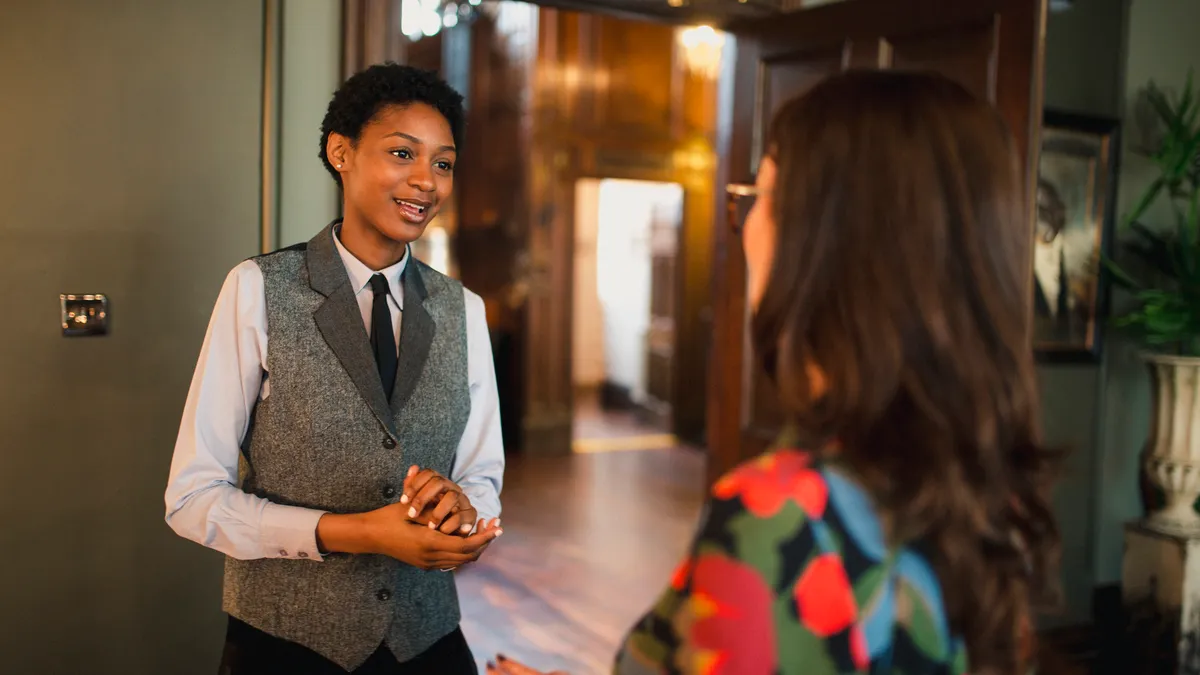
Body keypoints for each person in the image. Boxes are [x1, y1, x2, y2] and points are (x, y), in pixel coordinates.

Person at [488, 70, 1061, 675]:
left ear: (827, 239)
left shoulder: (783, 514)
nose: (745, 226)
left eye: (758, 194)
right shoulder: (988, 486)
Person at [164, 63, 504, 675]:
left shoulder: (464, 310)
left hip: (427, 643)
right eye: (403, 153)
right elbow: (193, 499)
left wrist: (464, 512)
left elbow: (482, 479)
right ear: (340, 152)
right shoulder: (257, 289)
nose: (426, 181)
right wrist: (361, 533)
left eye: (444, 163)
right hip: (284, 647)